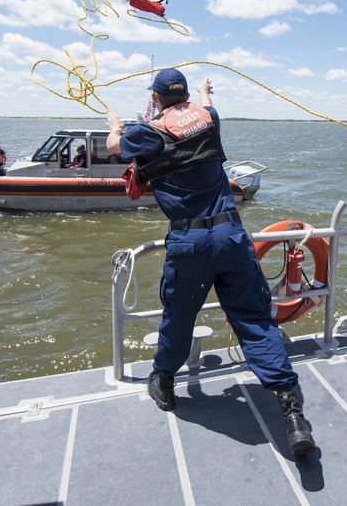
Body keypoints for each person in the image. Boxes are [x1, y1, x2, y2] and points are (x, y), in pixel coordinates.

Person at [106, 68, 317, 457]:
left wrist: (116, 126)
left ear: (155, 99)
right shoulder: (209, 119)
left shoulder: (148, 132)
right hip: (231, 235)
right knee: (253, 318)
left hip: (189, 241)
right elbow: (206, 109)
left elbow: (115, 147)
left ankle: (165, 385)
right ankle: (292, 412)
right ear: (186, 93)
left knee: (179, 316)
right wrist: (204, 93)